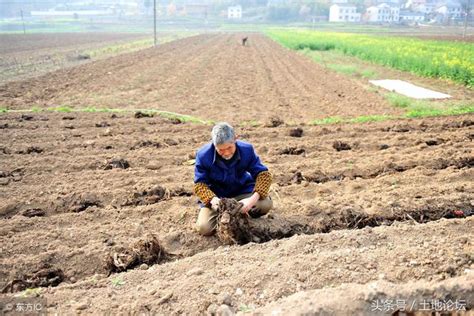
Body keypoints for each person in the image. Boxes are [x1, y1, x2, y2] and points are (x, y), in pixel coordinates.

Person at [194, 122, 273, 236]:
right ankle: (228, 217)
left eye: (229, 148)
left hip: (242, 191)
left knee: (265, 204)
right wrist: (212, 200)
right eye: (220, 150)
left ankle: (241, 213)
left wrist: (251, 200)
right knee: (204, 228)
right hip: (218, 197)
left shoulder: (247, 150)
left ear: (235, 139)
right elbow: (200, 184)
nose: (226, 153)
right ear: (214, 144)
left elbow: (263, 174)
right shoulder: (203, 155)